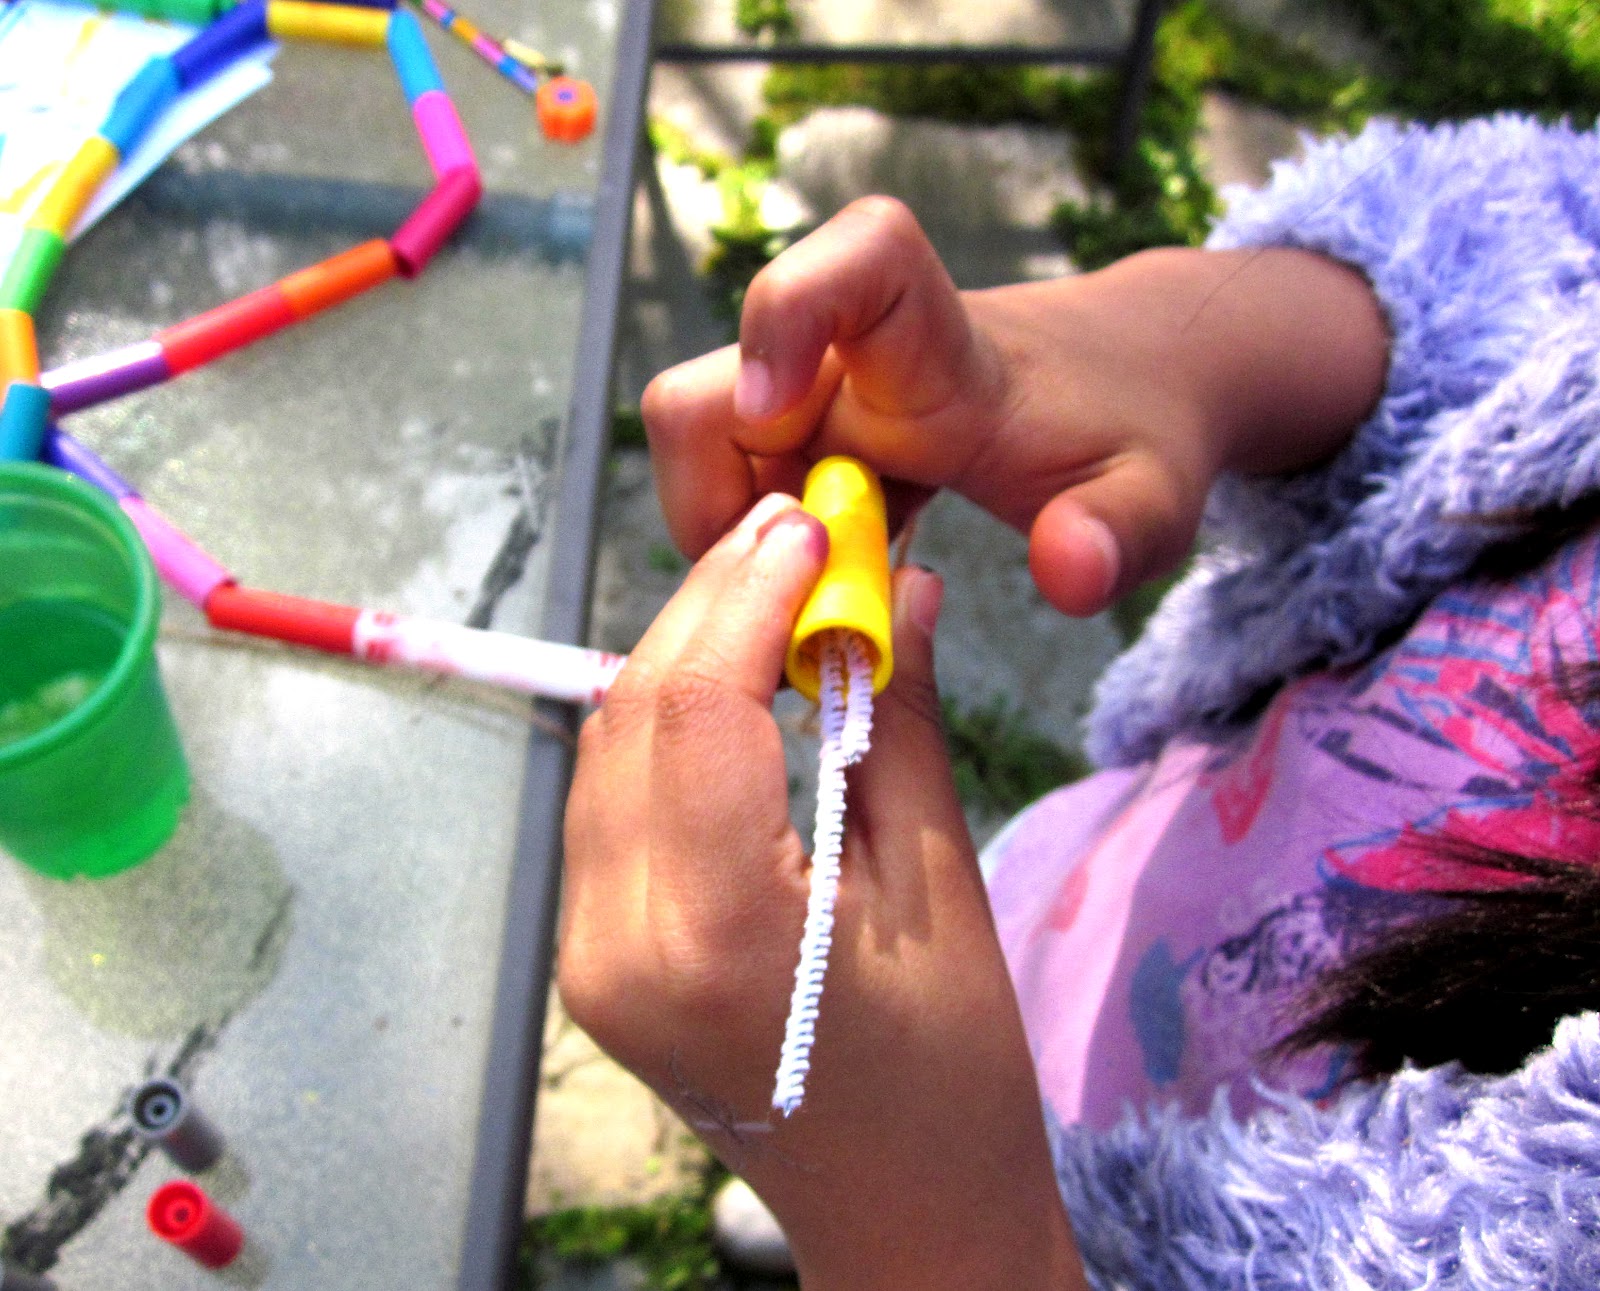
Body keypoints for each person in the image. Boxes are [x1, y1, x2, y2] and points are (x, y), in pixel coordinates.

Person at [559, 112, 1600, 1289]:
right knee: (849, 1080)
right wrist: (1180, 337)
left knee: (840, 1136)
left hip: (1063, 1237)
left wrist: (928, 1238)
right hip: (1062, 915)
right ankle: (815, 1148)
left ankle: (824, 1164)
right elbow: (1559, 249)